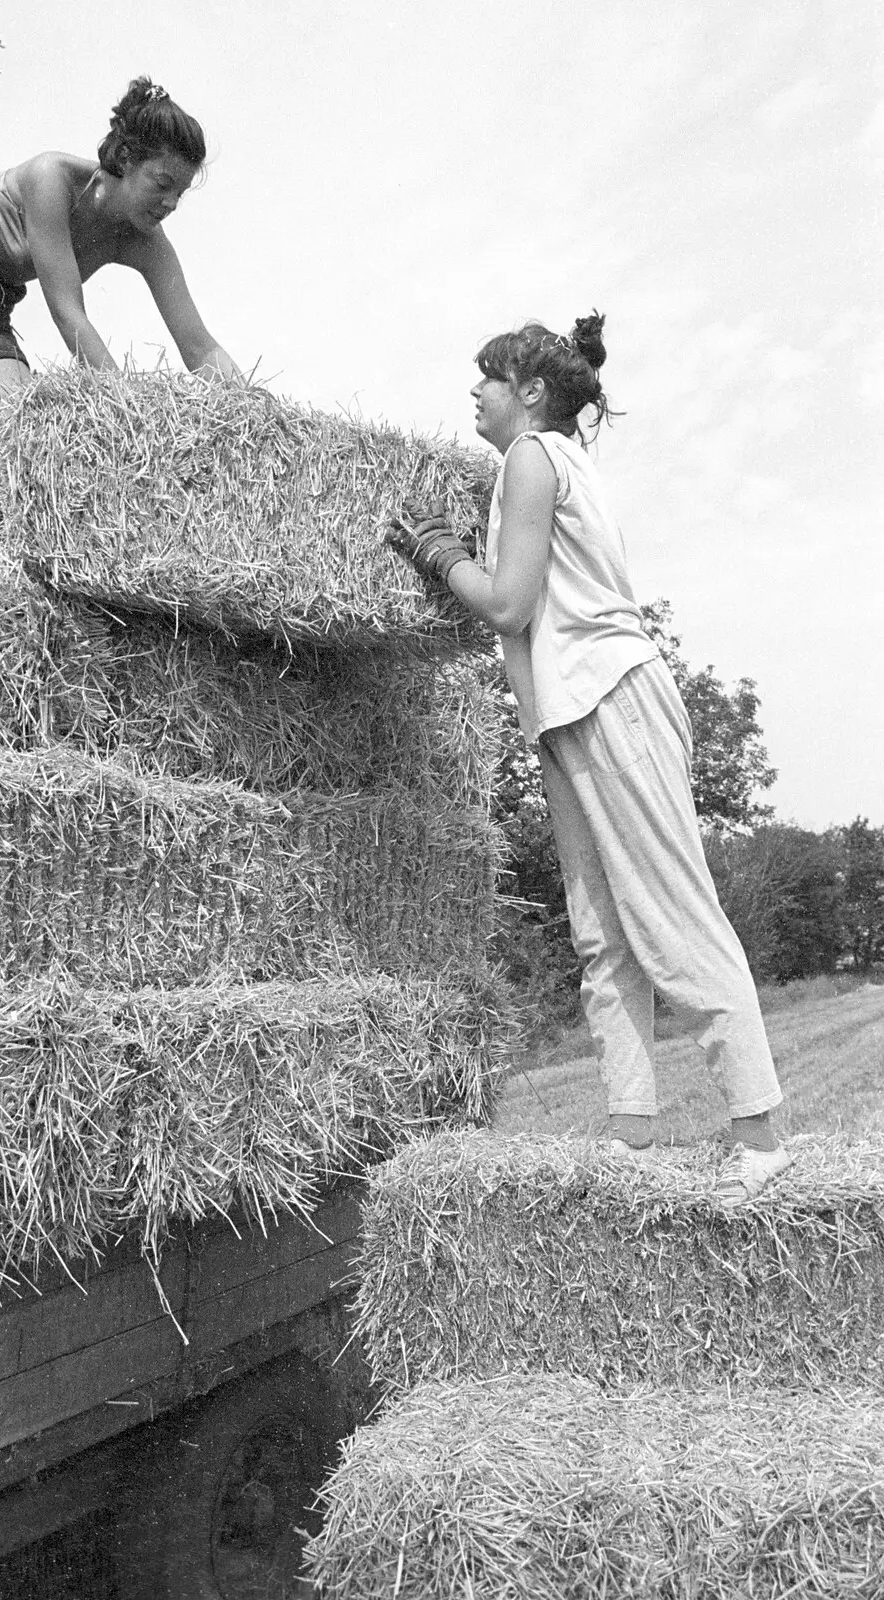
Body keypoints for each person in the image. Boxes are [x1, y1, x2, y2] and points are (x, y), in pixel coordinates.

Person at [386, 312, 792, 1206]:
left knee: (671, 915)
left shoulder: (533, 458)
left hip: (614, 697)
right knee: (600, 930)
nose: (472, 393)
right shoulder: (547, 465)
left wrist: (435, 555)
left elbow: (505, 602)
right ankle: (628, 1128)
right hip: (571, 712)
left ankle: (760, 1134)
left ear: (528, 391)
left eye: (484, 378)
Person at [0, 76, 239, 525]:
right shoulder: (52, 178)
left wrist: (256, 416)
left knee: (33, 432)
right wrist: (130, 419)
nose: (171, 202)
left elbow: (199, 345)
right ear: (125, 158)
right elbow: (68, 312)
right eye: (162, 182)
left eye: (180, 191)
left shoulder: (147, 242)